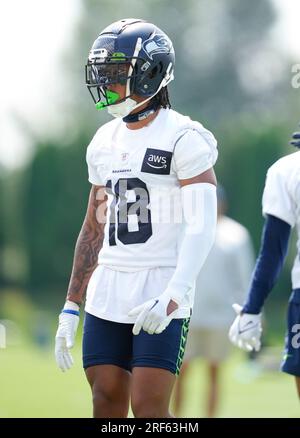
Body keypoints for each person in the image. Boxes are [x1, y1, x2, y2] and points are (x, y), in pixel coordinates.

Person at [54, 18, 218, 418]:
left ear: (149, 73)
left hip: (161, 282)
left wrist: (176, 291)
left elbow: (202, 222)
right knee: (105, 398)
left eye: (114, 72)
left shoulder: (184, 137)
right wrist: (71, 303)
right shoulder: (103, 141)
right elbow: (93, 226)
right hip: (108, 285)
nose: (105, 81)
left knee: (148, 406)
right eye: (103, 72)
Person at [229, 128, 300, 399]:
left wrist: (252, 308)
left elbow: (273, 252)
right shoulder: (287, 170)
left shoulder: (287, 169)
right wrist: (252, 307)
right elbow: (273, 251)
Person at [173, 186, 255, 417]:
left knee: (214, 372)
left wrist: (248, 314)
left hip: (221, 317)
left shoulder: (236, 234)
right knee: (179, 372)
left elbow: (244, 277)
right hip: (187, 314)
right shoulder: (186, 229)